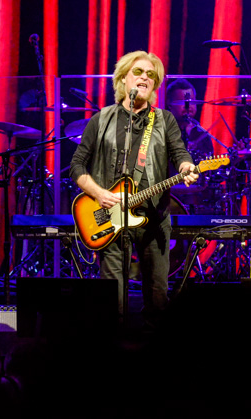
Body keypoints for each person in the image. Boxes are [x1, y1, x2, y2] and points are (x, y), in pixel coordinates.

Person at [70, 51, 199, 318]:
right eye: (138, 72)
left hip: (154, 219)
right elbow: (77, 165)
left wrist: (187, 167)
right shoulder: (101, 119)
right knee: (113, 298)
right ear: (123, 79)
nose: (144, 78)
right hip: (111, 219)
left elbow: (180, 153)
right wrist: (98, 193)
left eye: (150, 75)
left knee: (157, 296)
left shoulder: (164, 120)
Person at [164, 78, 215, 160]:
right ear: (170, 104)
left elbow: (211, 169)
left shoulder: (201, 134)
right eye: (181, 101)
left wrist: (233, 158)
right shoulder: (163, 131)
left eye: (191, 101)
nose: (187, 105)